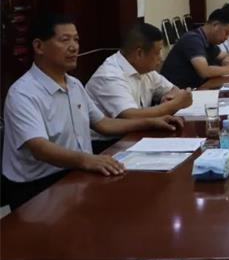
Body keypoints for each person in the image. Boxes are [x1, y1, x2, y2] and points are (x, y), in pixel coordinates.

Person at [1, 14, 183, 210]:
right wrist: (88, 160)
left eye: (76, 39)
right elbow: (40, 148)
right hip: (38, 187)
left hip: (76, 173)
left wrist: (151, 122)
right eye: (65, 40)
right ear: (39, 46)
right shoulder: (23, 93)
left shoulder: (74, 84)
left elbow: (103, 123)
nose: (74, 47)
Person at [86, 22, 192, 149]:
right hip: (108, 144)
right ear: (139, 53)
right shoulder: (110, 76)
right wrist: (174, 104)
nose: (161, 58)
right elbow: (131, 117)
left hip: (137, 134)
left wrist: (169, 98)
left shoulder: (146, 70)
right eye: (157, 53)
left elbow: (174, 90)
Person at [161, 8, 229, 89]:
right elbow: (204, 72)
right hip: (177, 93)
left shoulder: (207, 40)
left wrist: (227, 59)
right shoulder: (192, 39)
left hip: (195, 88)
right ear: (216, 25)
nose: (227, 37)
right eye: (226, 33)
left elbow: (225, 55)